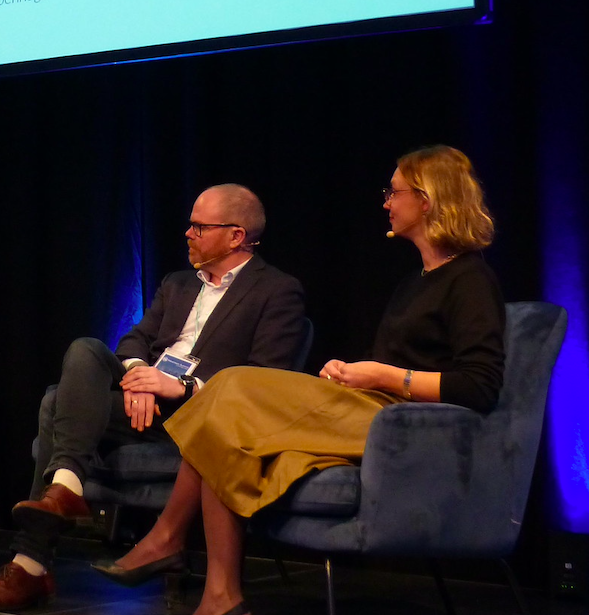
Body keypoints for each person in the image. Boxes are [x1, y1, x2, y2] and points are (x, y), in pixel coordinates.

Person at [93, 145, 505, 615]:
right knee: (227, 427)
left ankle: (167, 536)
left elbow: (479, 386)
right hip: (369, 403)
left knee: (231, 385)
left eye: (394, 192)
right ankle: (221, 596)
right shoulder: (417, 280)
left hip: (405, 426)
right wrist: (351, 373)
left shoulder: (470, 279)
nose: (386, 202)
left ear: (426, 201)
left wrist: (382, 374)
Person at [0, 183, 307, 611]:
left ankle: (31, 561)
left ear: (237, 235)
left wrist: (181, 387)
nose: (188, 233)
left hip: (205, 422)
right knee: (86, 349)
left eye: (199, 226)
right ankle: (64, 491)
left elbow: (266, 378)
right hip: (143, 406)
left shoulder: (277, 290)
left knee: (54, 404)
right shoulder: (177, 284)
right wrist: (138, 377)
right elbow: (134, 341)